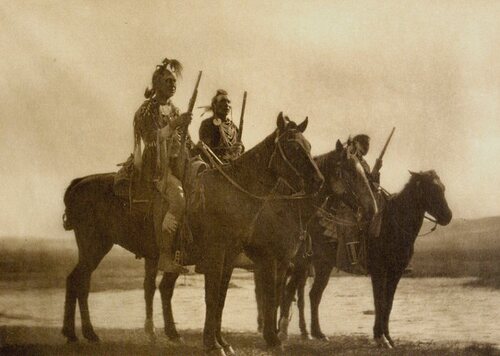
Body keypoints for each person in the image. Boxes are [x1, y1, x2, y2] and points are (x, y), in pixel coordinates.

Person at [133, 58, 191, 274]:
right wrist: (175, 124)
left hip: (178, 162)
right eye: (168, 81)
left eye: (174, 82)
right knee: (178, 197)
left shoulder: (175, 109)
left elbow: (185, 140)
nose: (173, 85)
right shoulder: (146, 110)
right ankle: (165, 256)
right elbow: (150, 138)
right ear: (157, 84)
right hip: (156, 167)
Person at [199, 89, 244, 163]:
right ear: (214, 105)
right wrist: (228, 151)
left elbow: (241, 146)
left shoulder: (234, 127)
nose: (226, 104)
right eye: (223, 101)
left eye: (228, 102)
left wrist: (240, 148)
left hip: (235, 165)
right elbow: (206, 149)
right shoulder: (207, 124)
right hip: (215, 166)